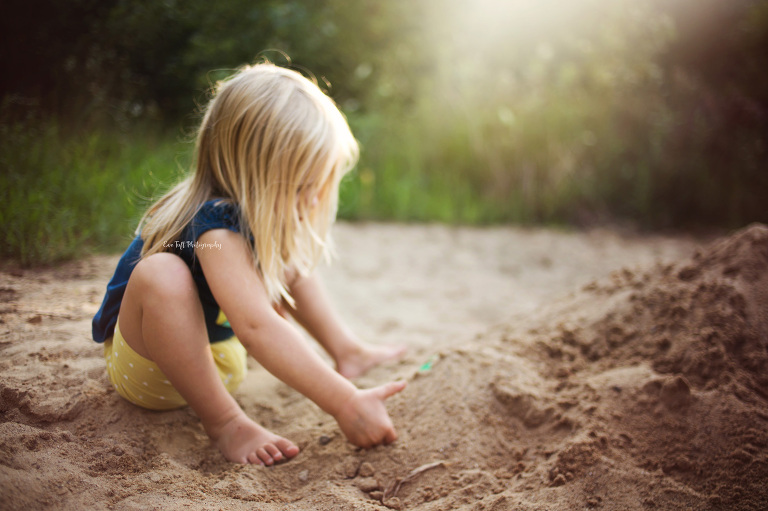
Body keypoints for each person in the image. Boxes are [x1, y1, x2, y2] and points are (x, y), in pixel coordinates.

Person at [91, 62, 407, 466]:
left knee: (284, 253)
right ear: (255, 174)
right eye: (301, 186)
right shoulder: (213, 232)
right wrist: (345, 401)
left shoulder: (242, 219)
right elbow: (257, 326)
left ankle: (347, 349)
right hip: (154, 376)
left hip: (217, 355)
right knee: (160, 273)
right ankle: (225, 422)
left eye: (317, 185)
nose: (312, 200)